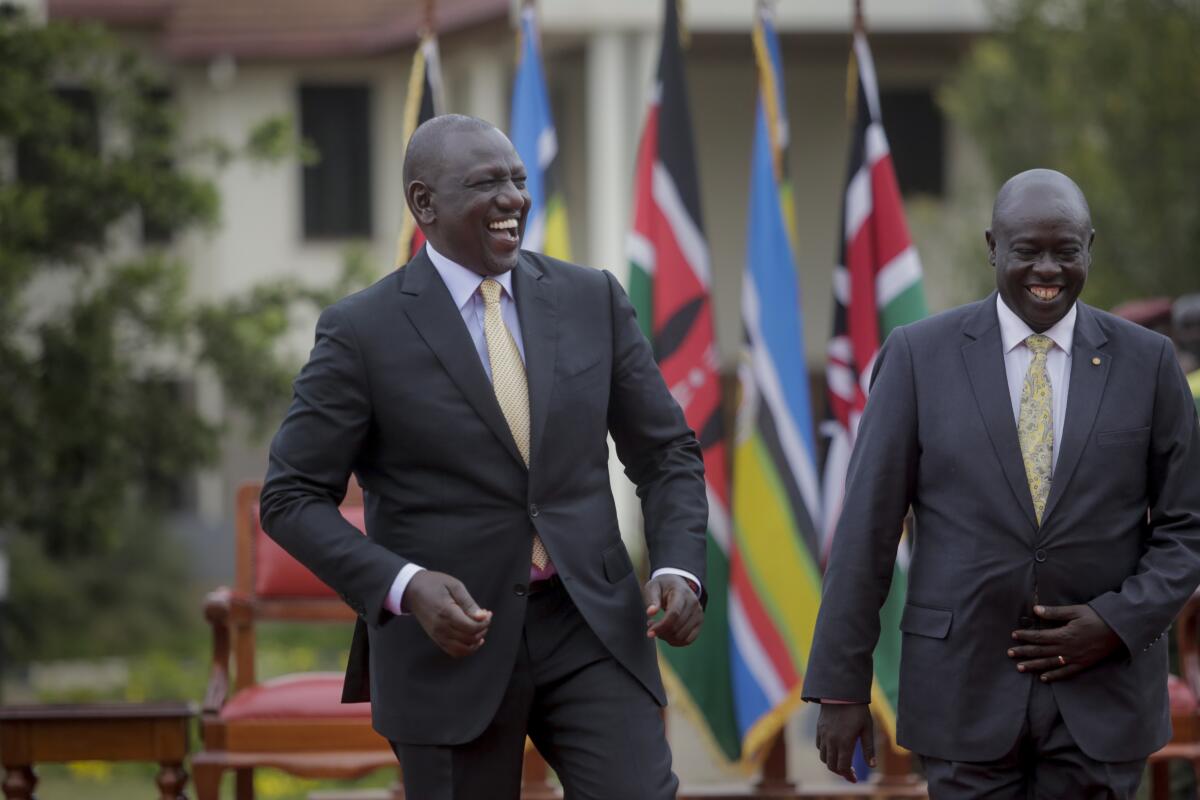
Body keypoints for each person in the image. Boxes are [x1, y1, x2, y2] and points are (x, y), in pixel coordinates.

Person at [259, 114, 707, 800]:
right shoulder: (360, 332)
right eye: (486, 182)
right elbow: (289, 498)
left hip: (588, 622)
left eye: (518, 181)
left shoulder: (593, 299)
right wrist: (405, 585)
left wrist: (678, 564)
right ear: (424, 203)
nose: (513, 199)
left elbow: (666, 451)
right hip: (446, 646)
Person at [803, 169, 1200, 798]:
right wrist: (841, 684)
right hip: (961, 696)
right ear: (993, 247)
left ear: (1089, 247)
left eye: (1066, 251)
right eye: (1027, 251)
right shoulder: (917, 357)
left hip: (1103, 701)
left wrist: (1117, 621)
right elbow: (866, 533)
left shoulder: (1148, 363)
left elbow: (1189, 529)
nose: (1048, 269)